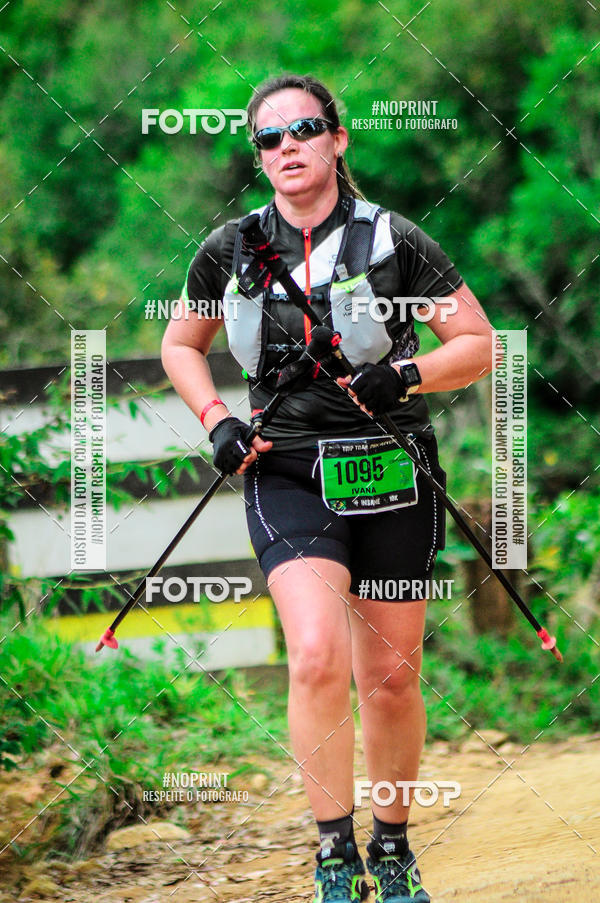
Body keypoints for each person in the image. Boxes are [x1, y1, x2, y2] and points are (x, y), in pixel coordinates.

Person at [161, 74, 493, 903]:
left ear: (338, 140)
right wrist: (215, 420)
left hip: (391, 469)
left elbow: (478, 344)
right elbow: (180, 342)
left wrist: (405, 374)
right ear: (259, 157)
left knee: (389, 675)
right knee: (314, 655)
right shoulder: (229, 247)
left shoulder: (396, 241)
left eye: (304, 129)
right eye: (269, 139)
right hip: (284, 471)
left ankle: (393, 848)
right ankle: (334, 856)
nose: (287, 148)